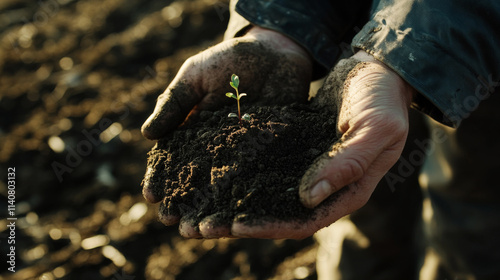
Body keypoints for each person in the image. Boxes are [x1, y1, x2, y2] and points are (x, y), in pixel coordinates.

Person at [141, 0, 500, 279]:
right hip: (348, 32)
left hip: (482, 46)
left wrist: (407, 50)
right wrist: (281, 23)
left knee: (470, 206)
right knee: (354, 195)